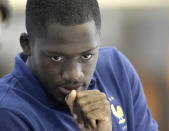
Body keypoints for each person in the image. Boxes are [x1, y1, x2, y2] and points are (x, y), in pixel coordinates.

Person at [0, 0, 158, 130]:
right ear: (27, 45)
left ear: (98, 41)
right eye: (56, 58)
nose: (74, 74)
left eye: (86, 56)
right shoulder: (8, 112)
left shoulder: (116, 68)